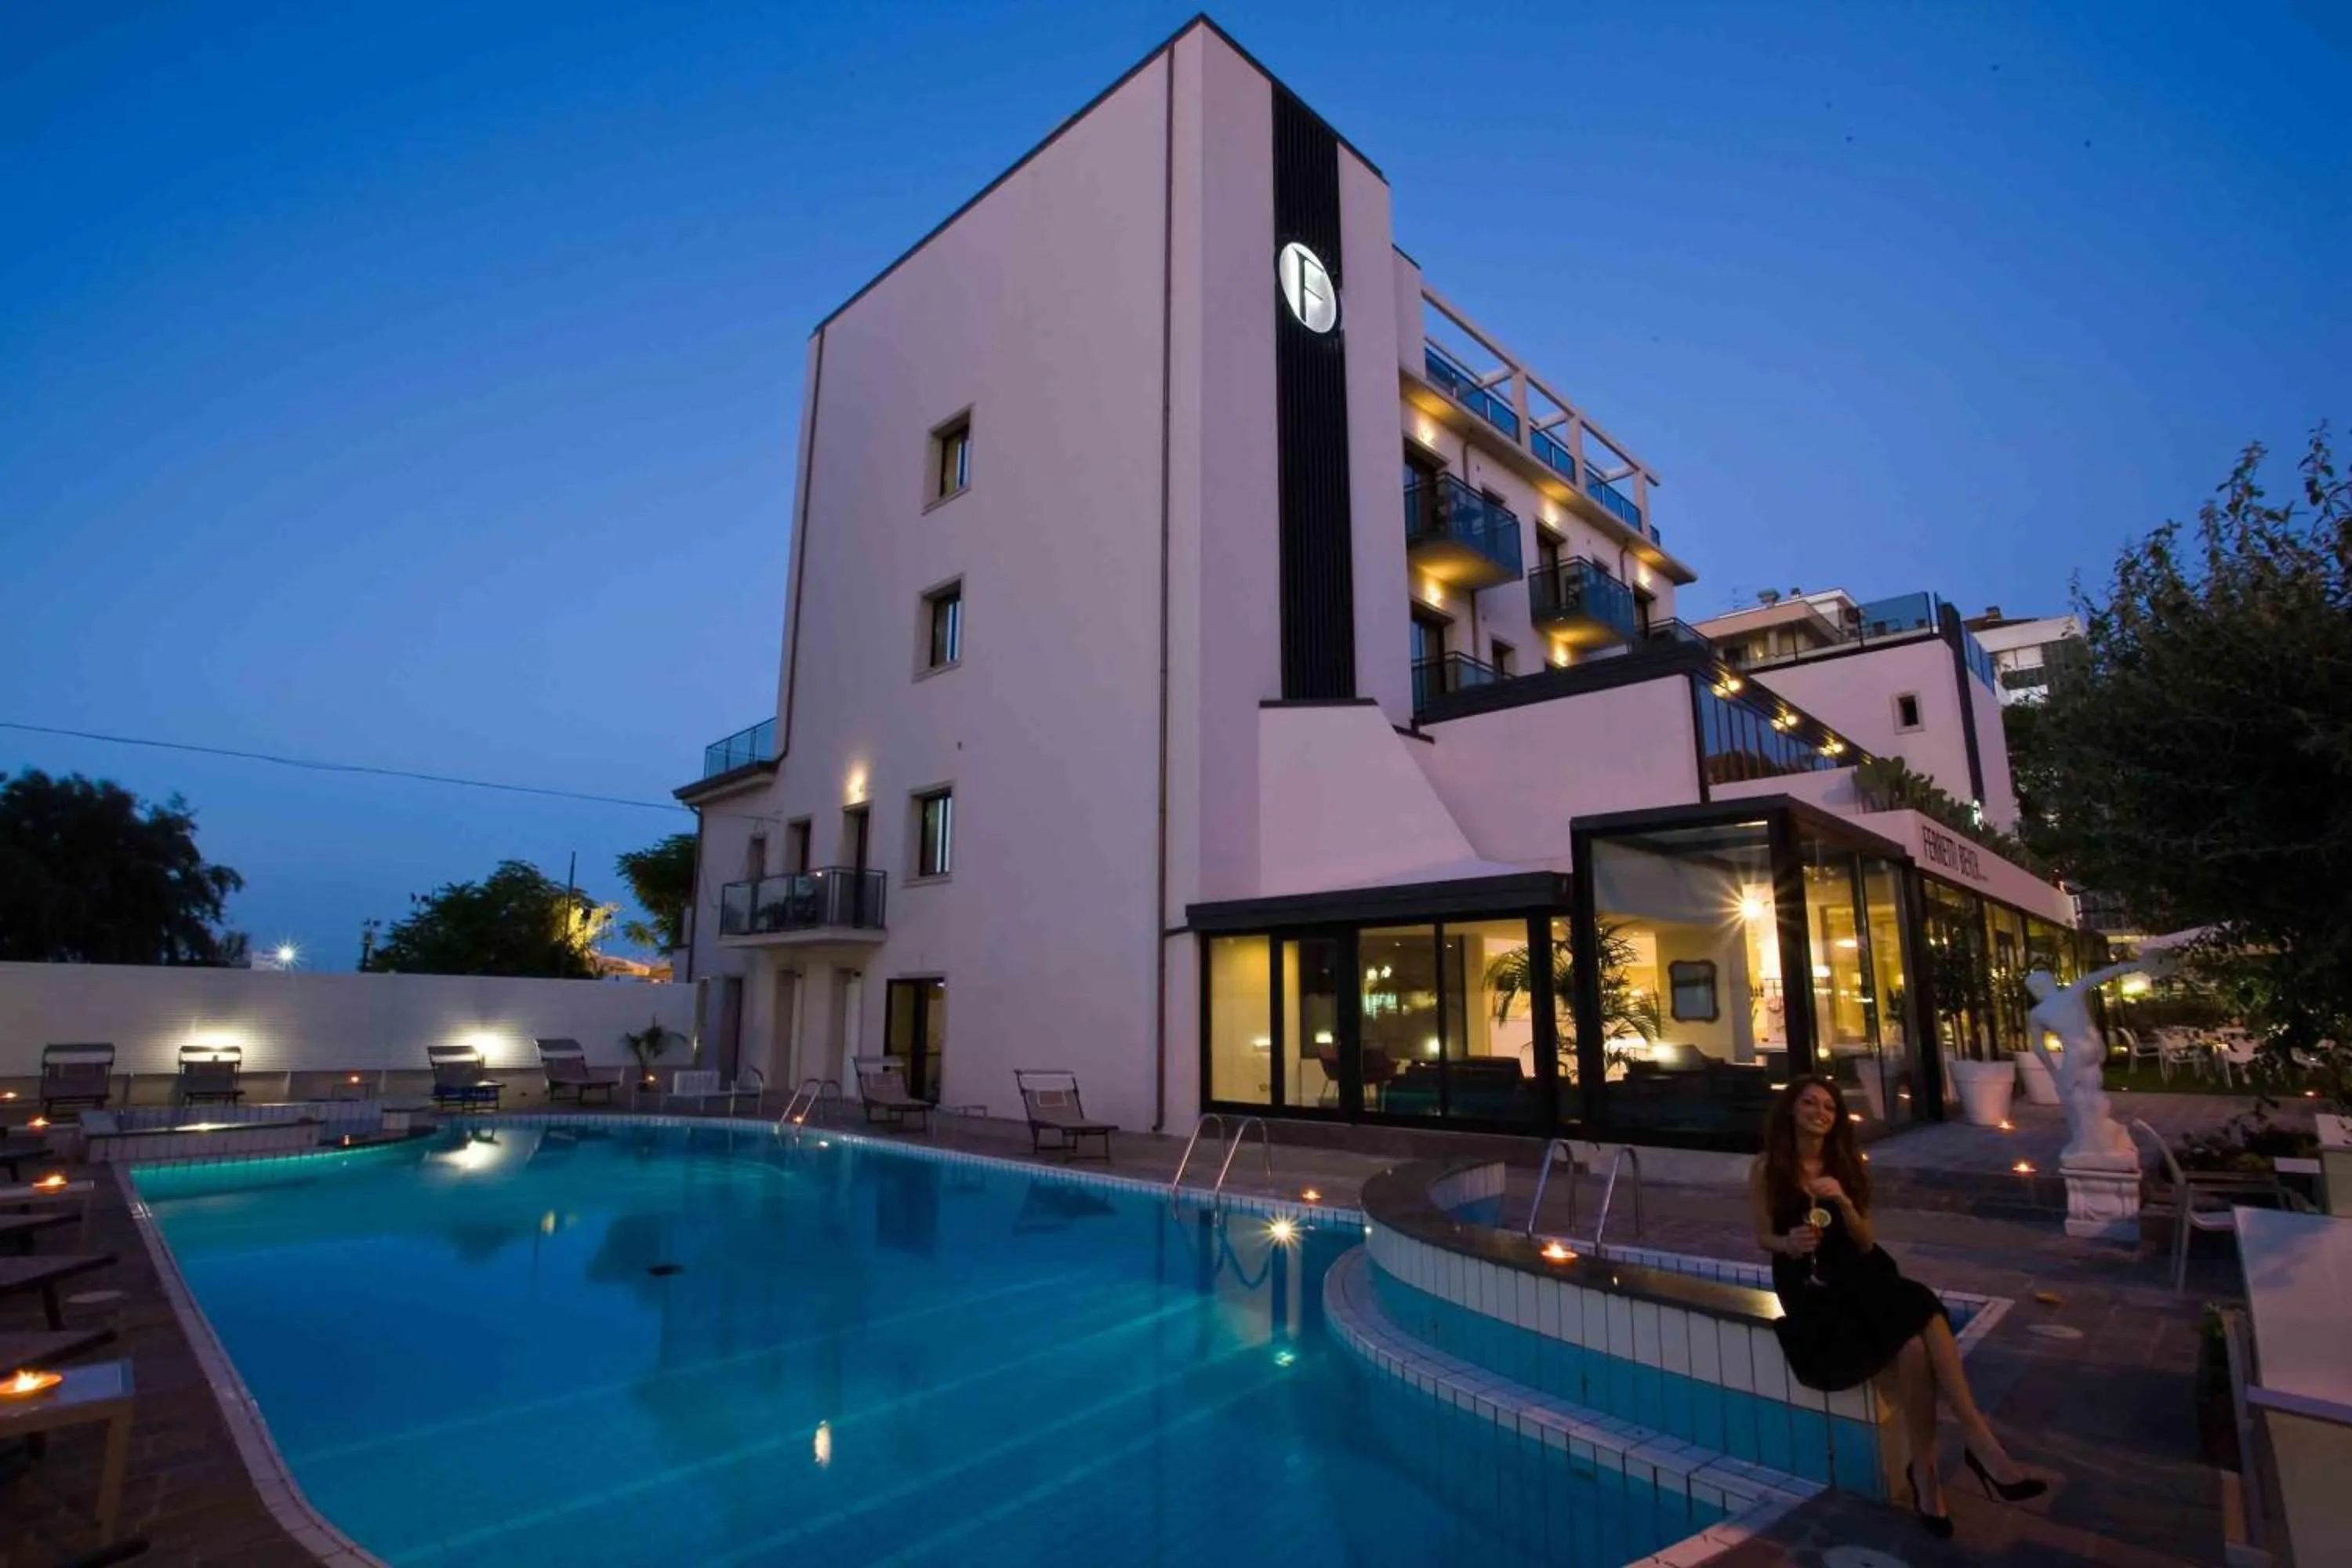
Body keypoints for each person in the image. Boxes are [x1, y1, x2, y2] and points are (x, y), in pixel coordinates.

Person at [1749, 1076, 2049, 1537]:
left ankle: (1932, 1468)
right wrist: (1787, 1242)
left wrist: (1845, 1204)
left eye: (1829, 1106)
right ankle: (1975, 1444)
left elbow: (1866, 1241)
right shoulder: (1768, 1168)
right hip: (1807, 1282)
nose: (1820, 1112)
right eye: (1809, 1102)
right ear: (1791, 1110)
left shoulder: (1846, 1165)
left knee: (1914, 1339)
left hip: (1857, 1269)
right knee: (1918, 1316)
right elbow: (1762, 1235)